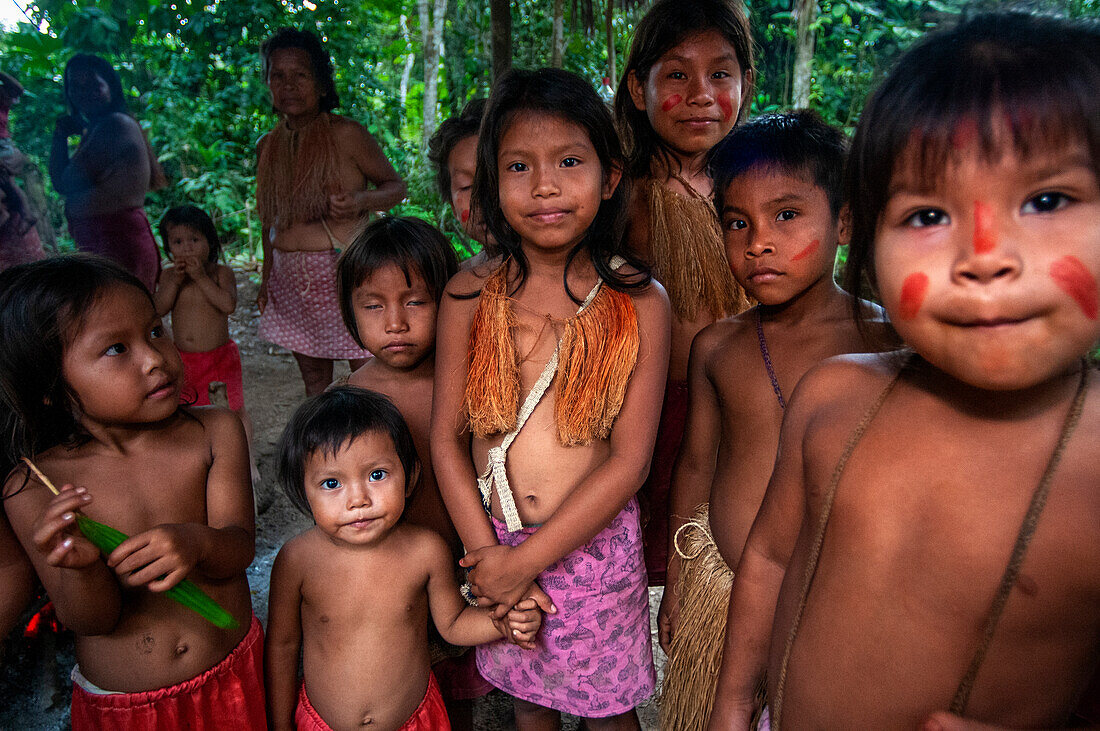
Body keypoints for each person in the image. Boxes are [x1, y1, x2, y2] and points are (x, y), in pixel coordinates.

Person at [708, 13, 1100, 729]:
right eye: (926, 214)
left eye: (1047, 200)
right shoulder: (833, 396)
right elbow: (766, 558)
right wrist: (733, 706)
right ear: (873, 236)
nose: (984, 255)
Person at [432, 67, 671, 729]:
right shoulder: (467, 295)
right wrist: (490, 562)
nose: (545, 185)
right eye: (518, 166)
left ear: (610, 176)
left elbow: (630, 464)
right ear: (490, 184)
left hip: (591, 550)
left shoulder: (639, 301)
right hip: (496, 538)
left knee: (606, 710)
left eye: (570, 161)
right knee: (529, 699)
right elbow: (446, 441)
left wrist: (522, 565)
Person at [657, 111, 889, 730]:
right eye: (738, 223)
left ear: (842, 221)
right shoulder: (718, 348)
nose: (758, 241)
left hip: (848, 611)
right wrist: (679, 579)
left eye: (787, 216)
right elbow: (698, 464)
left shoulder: (891, 343)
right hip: (728, 596)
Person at [0, 255, 261, 729]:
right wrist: (80, 572)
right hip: (130, 711)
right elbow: (93, 621)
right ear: (52, 389)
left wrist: (197, 543)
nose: (155, 359)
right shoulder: (36, 488)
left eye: (156, 331)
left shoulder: (213, 432)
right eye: (117, 349)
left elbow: (240, 547)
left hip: (233, 679)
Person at [265, 386, 541, 731]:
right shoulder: (297, 560)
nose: (358, 499)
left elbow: (452, 626)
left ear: (409, 477)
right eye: (332, 483)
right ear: (303, 490)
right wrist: (279, 724)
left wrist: (502, 624)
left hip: (416, 722)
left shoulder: (426, 551)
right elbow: (283, 646)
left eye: (376, 475)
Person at [613, 0, 754, 585]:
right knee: (668, 551)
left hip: (748, 397)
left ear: (746, 85)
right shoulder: (620, 190)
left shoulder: (755, 182)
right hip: (657, 409)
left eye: (720, 74)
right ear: (638, 89)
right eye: (677, 74)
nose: (701, 94)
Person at [335, 216, 492, 726]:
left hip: (466, 567)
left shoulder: (473, 378)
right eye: (373, 306)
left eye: (415, 301)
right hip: (388, 580)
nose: (395, 323)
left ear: (449, 301)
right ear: (350, 312)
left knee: (459, 694)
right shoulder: (347, 400)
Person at [256, 28, 407, 397]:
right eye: (279, 76)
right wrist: (266, 276)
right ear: (268, 83)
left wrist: (360, 201)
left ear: (322, 84)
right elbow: (269, 220)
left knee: (368, 372)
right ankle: (323, 448)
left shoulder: (347, 135)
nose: (289, 85)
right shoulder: (268, 146)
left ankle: (378, 442)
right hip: (291, 281)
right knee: (313, 381)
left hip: (344, 272)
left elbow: (396, 188)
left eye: (301, 75)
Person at [154, 205, 258, 483]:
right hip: (184, 358)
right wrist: (175, 281)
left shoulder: (220, 273)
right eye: (177, 242)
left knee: (234, 408)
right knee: (189, 409)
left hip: (221, 356)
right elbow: (159, 309)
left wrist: (200, 277)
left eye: (194, 240)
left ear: (210, 242)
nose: (186, 248)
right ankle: (200, 460)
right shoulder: (168, 276)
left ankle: (247, 461)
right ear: (167, 247)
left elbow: (228, 305)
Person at [50, 55, 166, 292]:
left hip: (119, 242)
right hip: (110, 242)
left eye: (93, 85)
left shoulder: (113, 126)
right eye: (76, 86)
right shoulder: (100, 127)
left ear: (110, 86)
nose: (85, 93)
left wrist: (60, 134)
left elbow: (65, 182)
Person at [427, 97, 494, 263]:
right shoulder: (457, 284)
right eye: (466, 187)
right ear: (452, 206)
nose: (482, 197)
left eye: (494, 179)